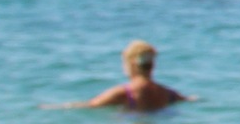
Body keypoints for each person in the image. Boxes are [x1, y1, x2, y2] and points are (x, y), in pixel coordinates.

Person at [56, 41, 191, 112]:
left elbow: (91, 105)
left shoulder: (125, 92)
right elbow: (189, 100)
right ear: (152, 65)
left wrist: (55, 107)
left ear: (130, 64)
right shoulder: (168, 93)